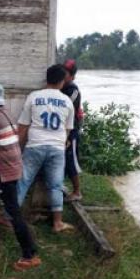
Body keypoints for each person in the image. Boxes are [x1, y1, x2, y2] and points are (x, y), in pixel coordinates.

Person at [0, 83, 40, 270]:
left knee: (13, 212)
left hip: (2, 170)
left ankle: (29, 254)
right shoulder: (7, 113)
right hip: (14, 166)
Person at [16, 64, 76, 233]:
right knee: (56, 185)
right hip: (57, 148)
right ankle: (58, 223)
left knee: (23, 182)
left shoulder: (34, 97)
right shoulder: (67, 102)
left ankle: (9, 217)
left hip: (35, 145)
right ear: (62, 81)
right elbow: (67, 130)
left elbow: (23, 126)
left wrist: (17, 149)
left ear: (46, 79)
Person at [62, 59, 84, 202]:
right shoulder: (62, 87)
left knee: (71, 159)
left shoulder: (73, 90)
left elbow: (66, 107)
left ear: (73, 76)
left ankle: (77, 191)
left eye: (67, 74)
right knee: (62, 158)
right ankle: (62, 184)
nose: (64, 75)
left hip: (72, 130)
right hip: (63, 129)